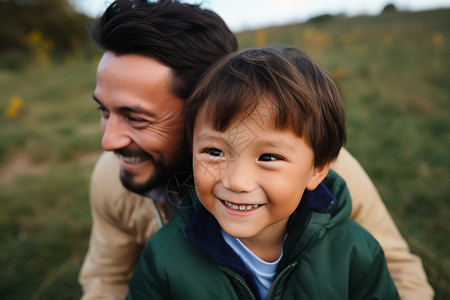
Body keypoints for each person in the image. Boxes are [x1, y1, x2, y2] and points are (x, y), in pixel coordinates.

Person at [78, 1, 433, 299]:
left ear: (205, 107)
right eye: (103, 111)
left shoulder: (327, 168)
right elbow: (105, 281)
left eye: (136, 118)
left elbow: (398, 273)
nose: (108, 141)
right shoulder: (114, 178)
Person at [126, 45, 399, 299]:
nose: (236, 182)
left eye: (268, 157)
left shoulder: (355, 252)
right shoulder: (164, 258)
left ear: (317, 170)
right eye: (214, 151)